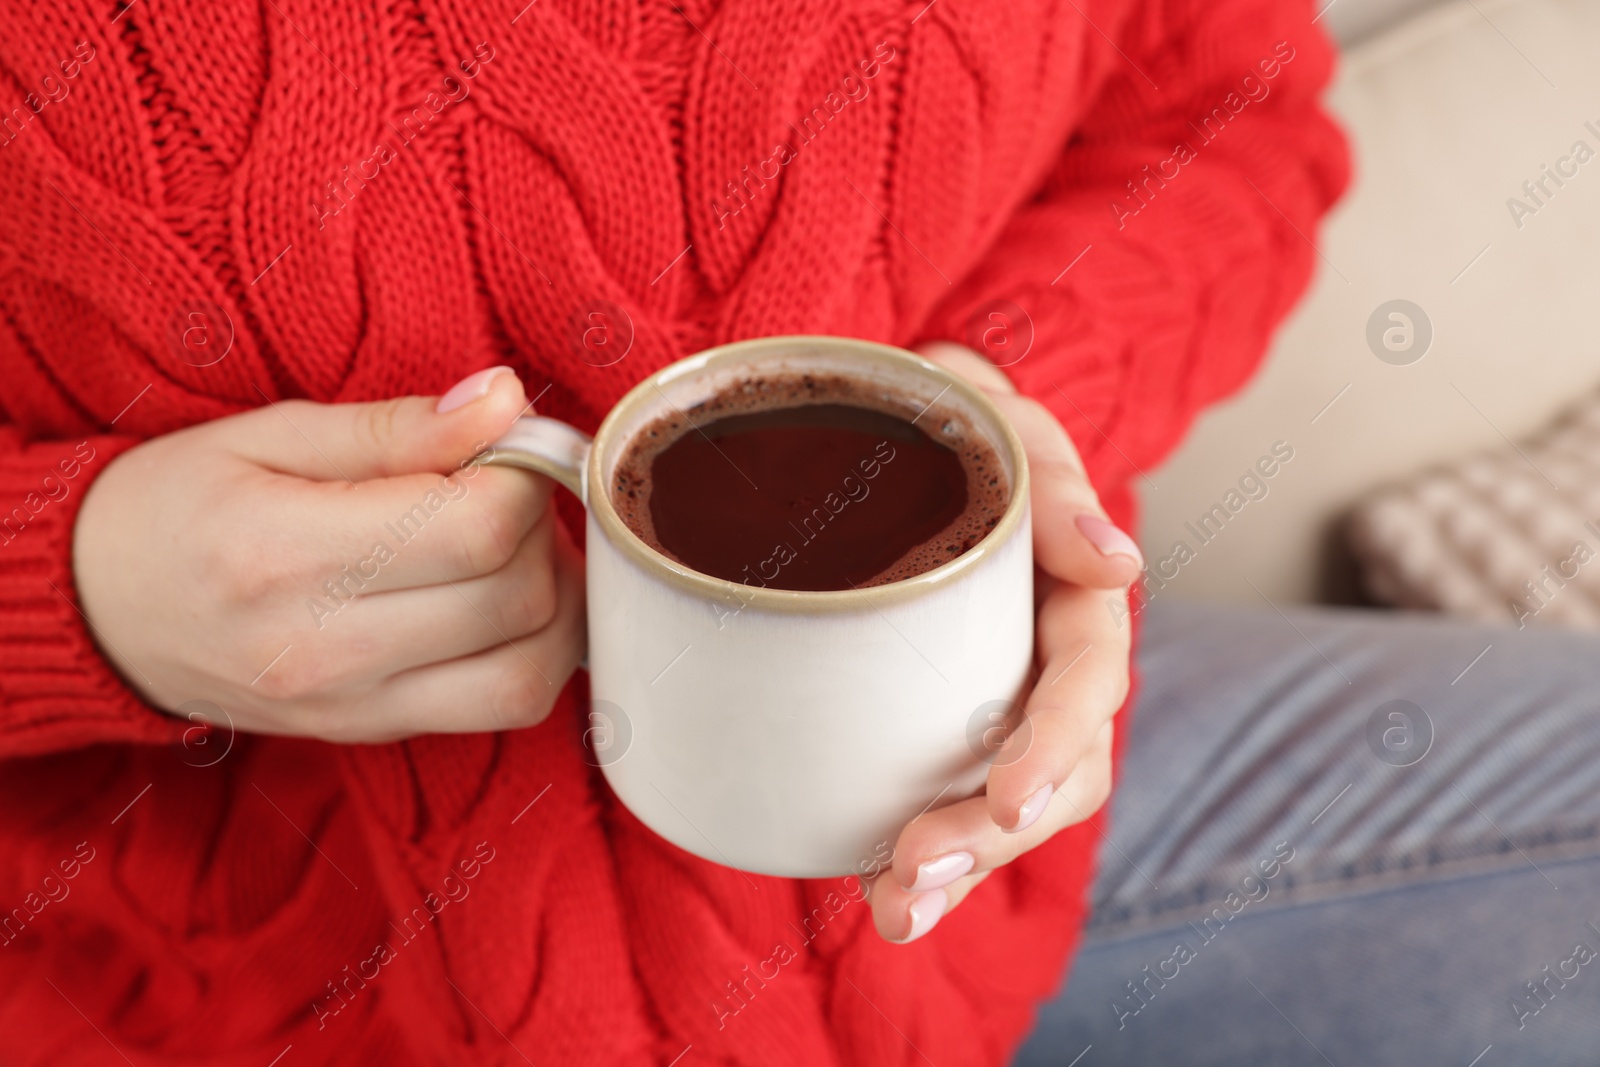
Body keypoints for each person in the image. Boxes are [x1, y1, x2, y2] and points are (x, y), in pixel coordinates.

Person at [0, 0, 1345, 1063]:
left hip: (1016, 889)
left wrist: (1018, 397)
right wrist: (74, 590)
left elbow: (1233, 111)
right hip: (237, 999)